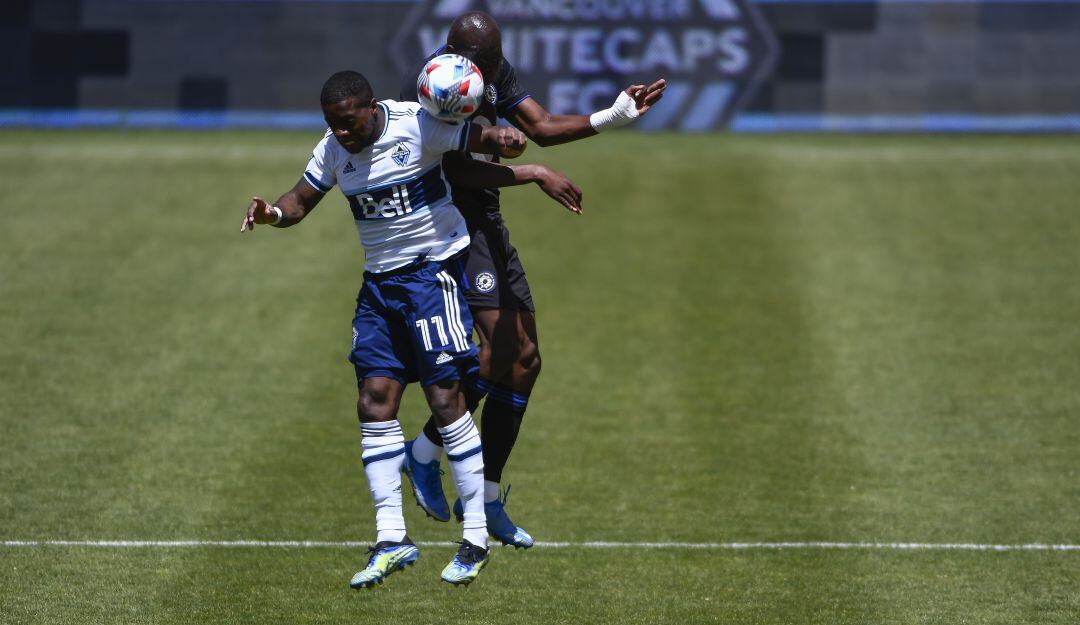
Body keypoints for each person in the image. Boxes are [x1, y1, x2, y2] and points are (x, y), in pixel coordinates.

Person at [240, 70, 581, 587]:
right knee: (374, 401)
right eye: (333, 124)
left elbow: (474, 137)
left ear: (371, 107)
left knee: (447, 402)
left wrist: (507, 139)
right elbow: (300, 200)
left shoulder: (415, 125)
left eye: (349, 123)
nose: (342, 133)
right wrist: (271, 213)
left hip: (430, 277)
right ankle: (391, 538)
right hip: (379, 289)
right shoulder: (333, 148)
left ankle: (474, 539)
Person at [398, 11, 666, 549]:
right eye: (484, 62)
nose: (490, 71)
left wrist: (612, 115)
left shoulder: (490, 71)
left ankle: (490, 498)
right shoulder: (438, 87)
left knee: (525, 362)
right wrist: (532, 173)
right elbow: (456, 169)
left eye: (494, 63)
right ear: (455, 51)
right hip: (452, 225)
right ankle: (424, 453)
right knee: (497, 352)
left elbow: (539, 127)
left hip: (486, 219)